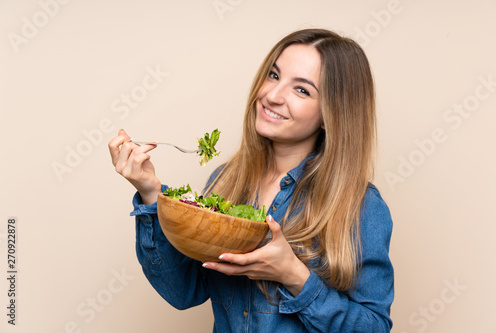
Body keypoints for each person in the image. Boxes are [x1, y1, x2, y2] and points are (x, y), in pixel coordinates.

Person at [108, 28, 394, 332]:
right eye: (273, 75)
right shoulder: (226, 182)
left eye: (302, 90)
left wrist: (294, 275)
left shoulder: (361, 206)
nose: (271, 96)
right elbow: (184, 292)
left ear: (331, 114)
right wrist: (151, 193)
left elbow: (374, 327)